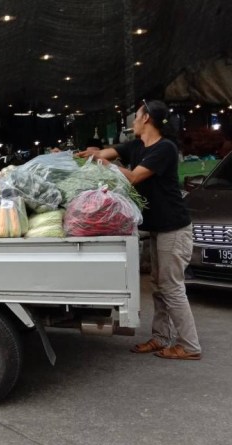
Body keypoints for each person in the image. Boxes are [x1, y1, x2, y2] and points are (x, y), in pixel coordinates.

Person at [78, 99, 201, 360]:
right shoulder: (136, 145)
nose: (132, 121)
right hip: (159, 228)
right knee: (159, 285)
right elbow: (104, 154)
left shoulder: (164, 149)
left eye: (136, 116)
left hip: (174, 228)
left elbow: (134, 177)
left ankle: (189, 345)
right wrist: (88, 154)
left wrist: (106, 165)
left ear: (147, 119)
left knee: (172, 286)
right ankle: (160, 337)